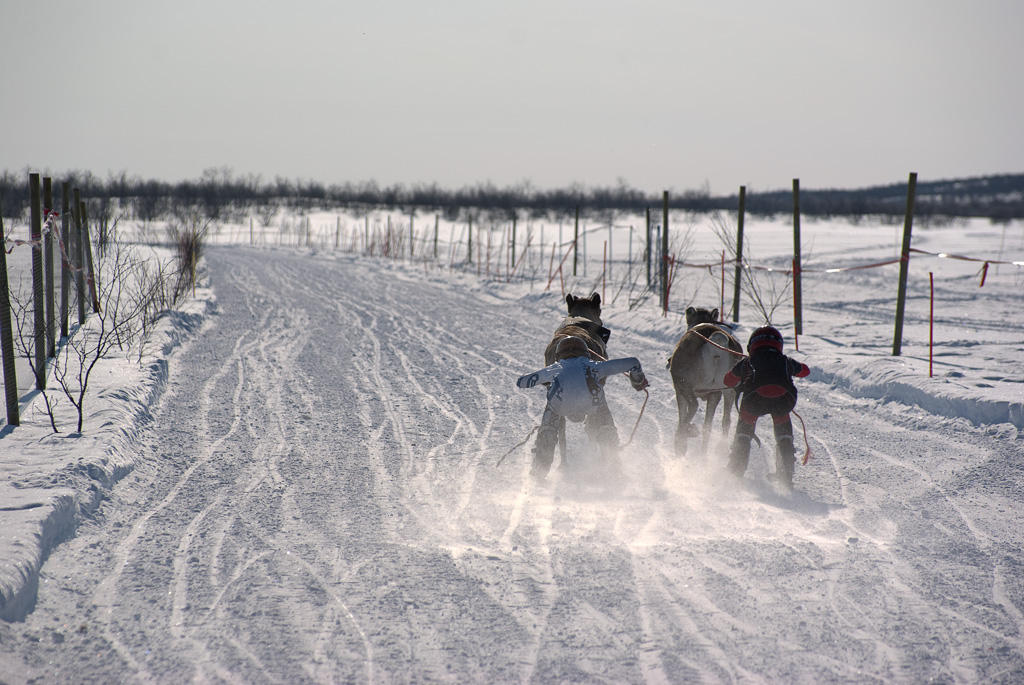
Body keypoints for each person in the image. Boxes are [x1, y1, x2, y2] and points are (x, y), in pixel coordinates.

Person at [516, 336, 648, 481]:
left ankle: (539, 470)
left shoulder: (554, 368)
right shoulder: (595, 366)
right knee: (602, 412)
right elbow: (633, 362)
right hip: (591, 406)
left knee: (550, 418)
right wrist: (638, 379)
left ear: (558, 356)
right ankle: (613, 463)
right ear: (586, 353)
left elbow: (522, 382)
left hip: (561, 407)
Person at [723, 325, 809, 488]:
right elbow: (805, 371)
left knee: (744, 431)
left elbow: (728, 381)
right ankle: (786, 472)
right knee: (782, 422)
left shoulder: (747, 362)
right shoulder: (786, 361)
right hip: (784, 400)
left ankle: (736, 469)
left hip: (754, 400)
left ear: (752, 345)